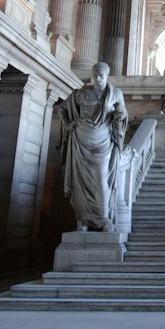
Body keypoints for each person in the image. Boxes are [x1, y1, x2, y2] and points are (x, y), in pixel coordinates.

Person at [56, 62, 128, 231]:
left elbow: (123, 114)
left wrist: (121, 113)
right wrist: (67, 124)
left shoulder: (115, 93)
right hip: (80, 141)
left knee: (102, 181)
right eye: (95, 74)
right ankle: (83, 220)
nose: (97, 78)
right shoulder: (80, 93)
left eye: (101, 75)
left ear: (107, 75)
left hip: (103, 144)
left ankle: (103, 219)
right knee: (79, 183)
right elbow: (61, 109)